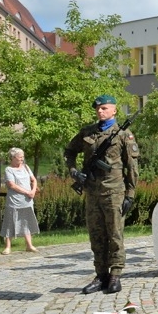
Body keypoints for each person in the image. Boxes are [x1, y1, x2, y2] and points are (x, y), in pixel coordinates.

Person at [64, 94, 139, 294]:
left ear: (114, 110)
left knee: (114, 233)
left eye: (105, 108)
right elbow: (69, 152)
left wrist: (130, 194)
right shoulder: (87, 132)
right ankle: (101, 274)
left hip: (114, 191)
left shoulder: (123, 135)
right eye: (98, 108)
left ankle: (115, 274)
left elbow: (132, 168)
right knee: (96, 234)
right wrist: (73, 172)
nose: (100, 111)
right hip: (92, 191)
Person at [0, 147, 40, 254]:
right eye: (19, 157)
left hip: (27, 200)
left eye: (23, 157)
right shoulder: (9, 169)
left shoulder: (26, 167)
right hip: (14, 200)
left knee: (26, 220)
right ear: (13, 158)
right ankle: (8, 246)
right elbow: (11, 185)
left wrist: (32, 190)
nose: (22, 159)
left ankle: (29, 245)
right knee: (10, 221)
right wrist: (27, 192)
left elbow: (33, 179)